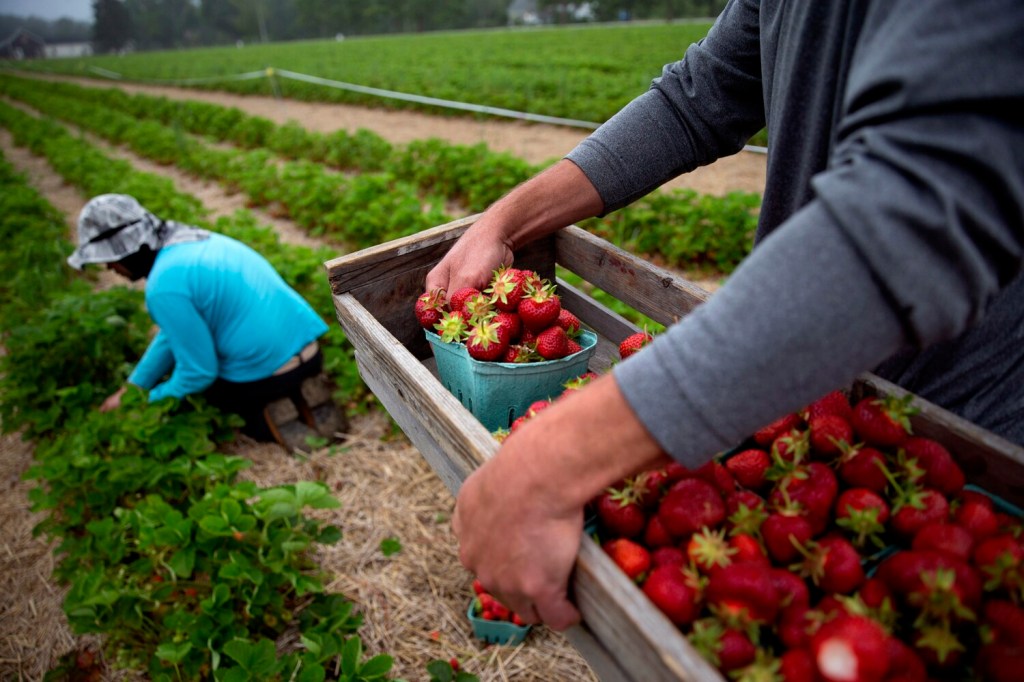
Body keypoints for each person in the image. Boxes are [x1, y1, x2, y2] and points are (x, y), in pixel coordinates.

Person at [425, 0, 1024, 631]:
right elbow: (699, 97)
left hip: (969, 434)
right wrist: (505, 220)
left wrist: (560, 452)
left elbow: (925, 204)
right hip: (788, 396)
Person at [67, 194, 329, 443]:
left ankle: (268, 414)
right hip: (311, 353)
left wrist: (143, 403)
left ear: (126, 251)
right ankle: (301, 393)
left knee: (210, 395)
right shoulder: (197, 240)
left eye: (109, 259)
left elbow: (199, 373)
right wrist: (133, 388)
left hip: (266, 375)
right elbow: (173, 334)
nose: (108, 268)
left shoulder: (164, 286)